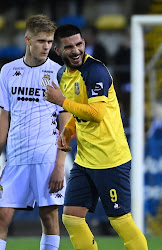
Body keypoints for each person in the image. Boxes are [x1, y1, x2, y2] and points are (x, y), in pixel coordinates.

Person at [44, 24, 148, 250]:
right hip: (85, 159)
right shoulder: (63, 74)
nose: (75, 50)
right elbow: (80, 111)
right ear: (57, 51)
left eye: (79, 44)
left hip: (110, 158)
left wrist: (61, 102)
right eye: (68, 47)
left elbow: (97, 114)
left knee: (121, 222)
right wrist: (69, 130)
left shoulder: (95, 71)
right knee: (71, 218)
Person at [0, 15, 70, 250]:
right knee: (2, 216)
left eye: (50, 42)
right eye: (41, 41)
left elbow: (67, 124)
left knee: (49, 218)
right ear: (27, 39)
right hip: (15, 158)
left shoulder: (60, 74)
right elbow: (4, 119)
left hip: (47, 158)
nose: (47, 47)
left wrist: (60, 164)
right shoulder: (8, 71)